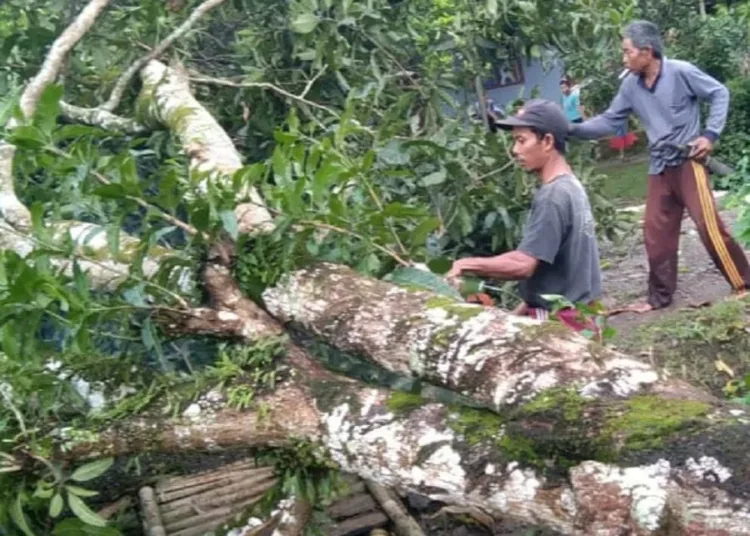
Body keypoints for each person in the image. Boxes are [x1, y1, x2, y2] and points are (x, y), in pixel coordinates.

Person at [568, 20, 750, 313]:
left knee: (708, 225)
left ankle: (744, 283)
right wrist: (571, 130)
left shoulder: (680, 72)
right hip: (660, 166)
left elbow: (719, 93)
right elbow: (610, 120)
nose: (624, 58)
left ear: (647, 51)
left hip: (689, 162)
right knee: (655, 232)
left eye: (628, 52)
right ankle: (659, 297)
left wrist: (710, 135)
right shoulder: (630, 86)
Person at [446, 100, 602, 330]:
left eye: (521, 140)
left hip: (561, 323)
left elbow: (524, 265)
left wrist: (465, 264)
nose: (515, 150)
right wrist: (517, 316)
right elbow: (554, 272)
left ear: (547, 141)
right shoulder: (571, 186)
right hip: (582, 317)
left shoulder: (552, 196)